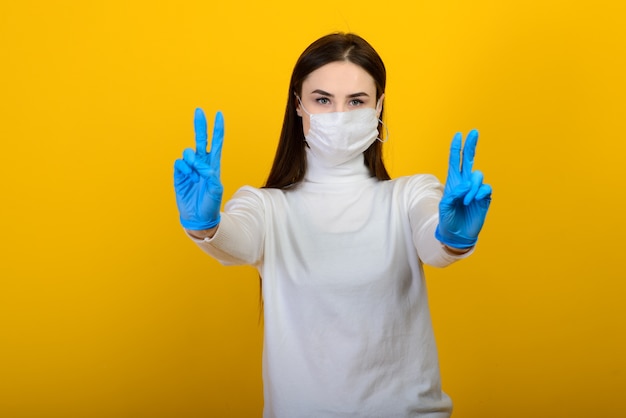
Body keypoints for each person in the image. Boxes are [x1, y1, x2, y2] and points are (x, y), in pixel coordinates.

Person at [173, 32, 492, 418]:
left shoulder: (409, 195)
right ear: (298, 105)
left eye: (356, 101)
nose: (339, 115)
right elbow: (234, 240)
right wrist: (206, 225)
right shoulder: (267, 208)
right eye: (322, 100)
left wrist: (453, 235)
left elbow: (434, 244)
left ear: (379, 106)